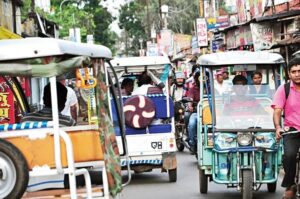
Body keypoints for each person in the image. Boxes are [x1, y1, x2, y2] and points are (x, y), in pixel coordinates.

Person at [272, 56, 300, 198]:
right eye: (294, 71)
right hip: (292, 131)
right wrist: (278, 127)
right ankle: (290, 185)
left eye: (299, 71)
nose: (297, 74)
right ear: (289, 74)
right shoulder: (284, 89)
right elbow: (277, 110)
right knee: (289, 155)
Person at [187, 70, 200, 154]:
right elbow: (190, 100)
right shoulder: (192, 89)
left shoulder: (211, 87)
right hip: (196, 112)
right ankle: (192, 143)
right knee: (191, 124)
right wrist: (190, 106)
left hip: (209, 113)